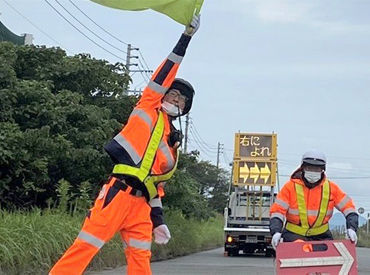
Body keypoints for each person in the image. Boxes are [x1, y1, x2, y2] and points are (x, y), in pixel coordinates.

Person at [50, 14, 200, 275]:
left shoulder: (173, 144)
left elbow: (157, 187)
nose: (176, 100)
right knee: (85, 247)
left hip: (142, 206)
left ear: (185, 109)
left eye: (182, 100)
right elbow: (165, 72)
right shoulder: (148, 106)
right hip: (118, 194)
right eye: (173, 94)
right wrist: (185, 39)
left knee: (141, 260)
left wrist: (159, 220)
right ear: (164, 94)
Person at [269, 150, 359, 250]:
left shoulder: (331, 188)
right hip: (293, 236)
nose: (313, 171)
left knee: (333, 257)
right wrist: (276, 232)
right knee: (300, 250)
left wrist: (352, 228)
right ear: (303, 168)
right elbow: (277, 212)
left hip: (322, 237)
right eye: (309, 168)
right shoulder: (290, 187)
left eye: (317, 169)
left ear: (322, 170)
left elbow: (349, 208)